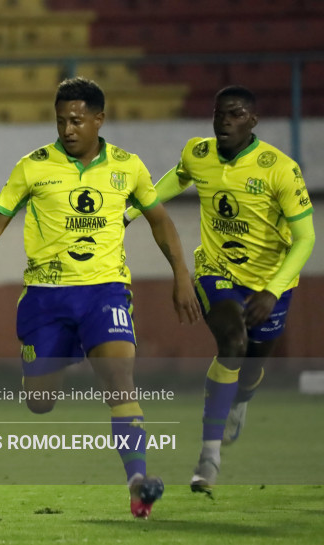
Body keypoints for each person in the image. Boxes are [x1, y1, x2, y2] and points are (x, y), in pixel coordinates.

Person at [0, 77, 202, 519]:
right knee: (40, 402)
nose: (68, 130)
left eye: (77, 120)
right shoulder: (32, 167)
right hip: (46, 299)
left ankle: (137, 482)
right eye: (61, 122)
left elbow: (160, 221)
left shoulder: (128, 167)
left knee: (120, 383)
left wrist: (181, 275)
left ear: (100, 119)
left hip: (105, 291)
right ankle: (61, 355)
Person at [123, 85, 315, 495]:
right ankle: (209, 456)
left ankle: (240, 402)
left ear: (253, 121)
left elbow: (305, 239)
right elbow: (174, 181)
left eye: (237, 113)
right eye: (220, 113)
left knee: (251, 365)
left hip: (271, 280)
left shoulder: (280, 169)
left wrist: (273, 291)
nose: (225, 120)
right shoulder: (199, 153)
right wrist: (130, 211)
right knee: (232, 339)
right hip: (217, 269)